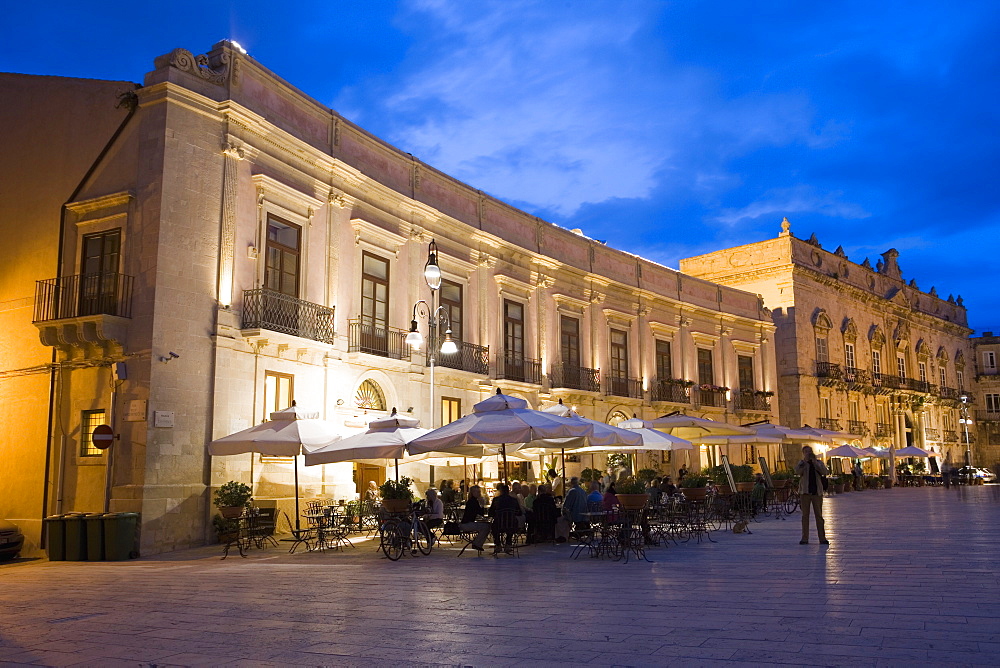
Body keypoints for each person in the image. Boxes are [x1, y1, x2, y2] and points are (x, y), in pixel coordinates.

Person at [795, 445, 830, 545]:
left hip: (816, 492)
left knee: (819, 516)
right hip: (805, 492)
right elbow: (797, 472)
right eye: (805, 451)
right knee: (805, 516)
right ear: (803, 453)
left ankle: (822, 538)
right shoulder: (801, 463)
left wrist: (815, 463)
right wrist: (804, 464)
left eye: (809, 451)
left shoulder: (818, 462)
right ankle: (804, 538)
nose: (808, 453)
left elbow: (824, 472)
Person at [488, 482, 523, 551]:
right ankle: (508, 543)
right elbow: (519, 512)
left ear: (500, 491)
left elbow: (490, 513)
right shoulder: (513, 500)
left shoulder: (496, 500)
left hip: (498, 525)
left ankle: (498, 544)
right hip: (511, 525)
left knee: (493, 525)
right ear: (508, 491)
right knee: (513, 522)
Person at [459, 485, 492, 554]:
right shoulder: (473, 502)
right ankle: (477, 543)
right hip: (466, 524)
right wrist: (482, 505)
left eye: (479, 492)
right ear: (473, 493)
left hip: (467, 523)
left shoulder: (473, 501)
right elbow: (480, 513)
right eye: (477, 492)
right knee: (486, 527)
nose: (479, 493)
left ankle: (478, 543)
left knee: (486, 526)